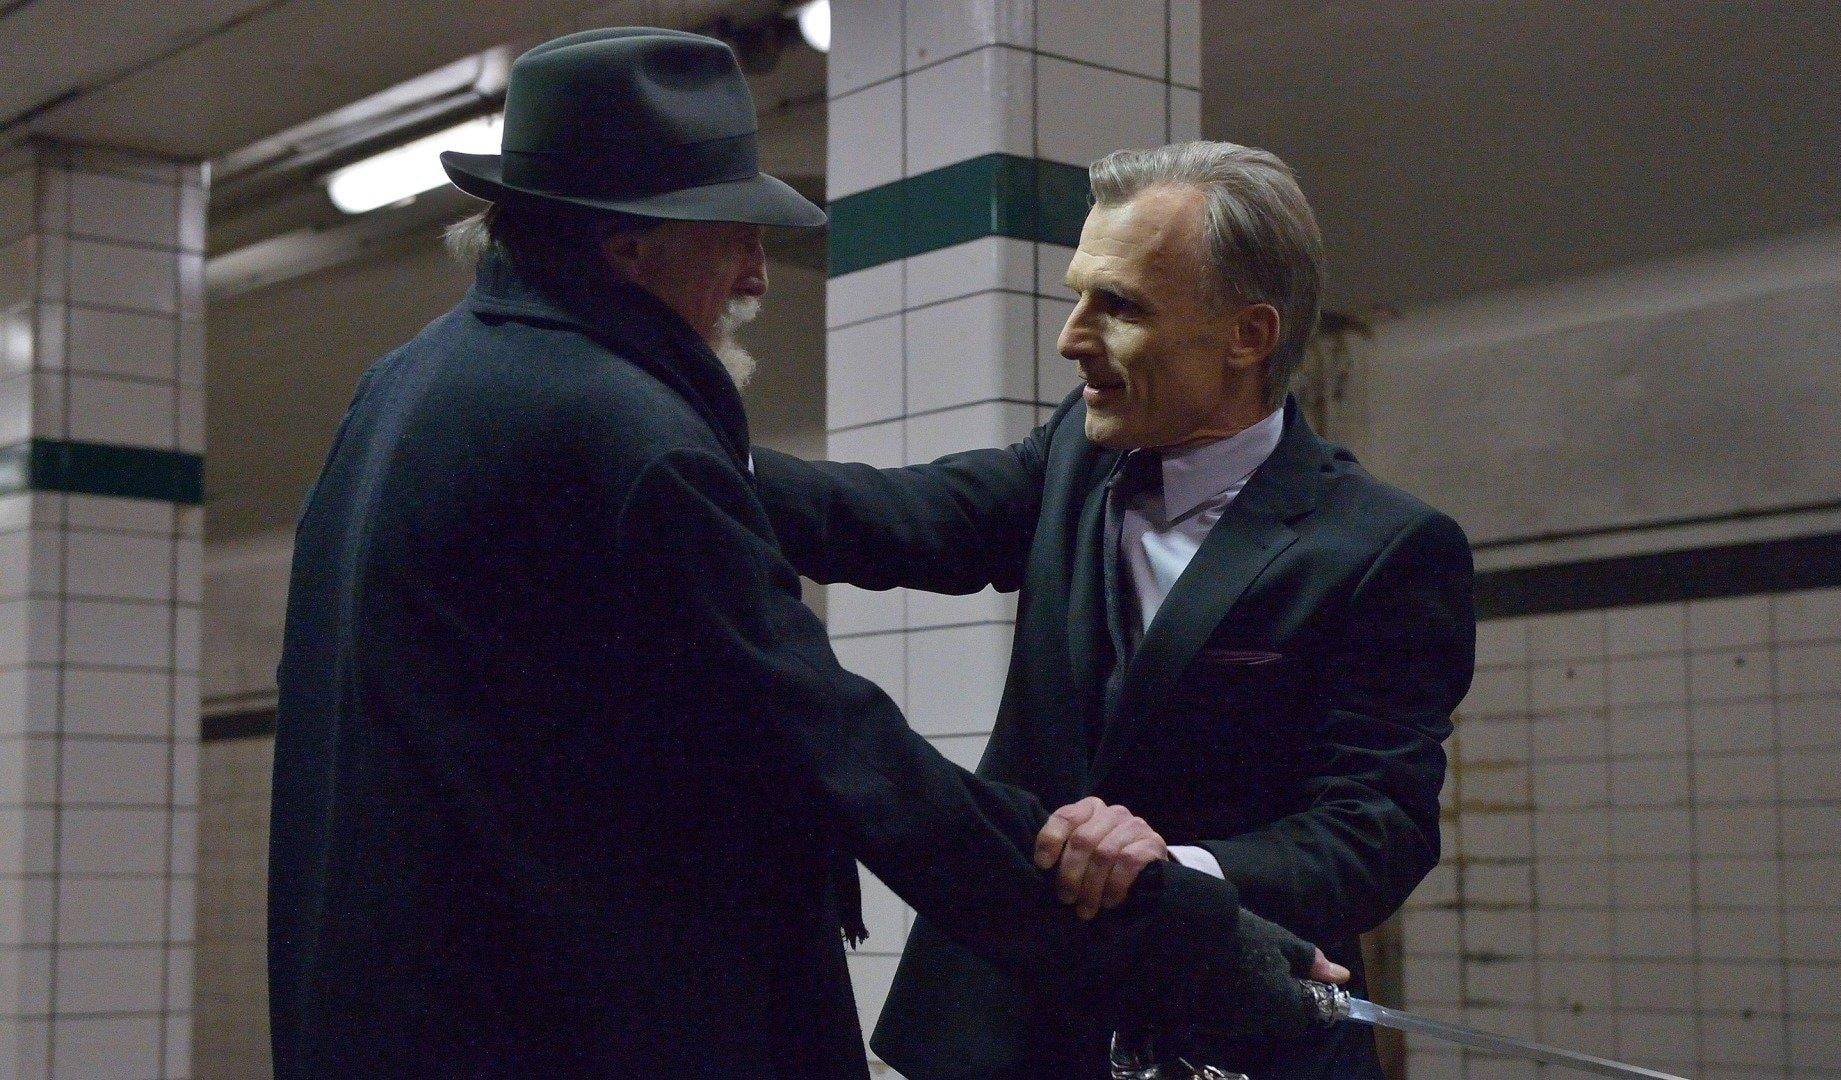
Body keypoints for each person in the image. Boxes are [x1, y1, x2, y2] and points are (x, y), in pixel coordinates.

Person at [268, 30, 1325, 1080]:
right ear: (629, 247)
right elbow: (852, 763)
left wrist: (712, 469)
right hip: (569, 1027)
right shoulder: (628, 444)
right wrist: (1194, 945)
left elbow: (917, 519)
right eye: (733, 236)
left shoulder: (408, 389)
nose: (758, 275)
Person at [753, 141, 1477, 1079]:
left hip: (1222, 1025)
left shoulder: (1382, 547)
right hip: (1009, 1028)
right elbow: (902, 517)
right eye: (1078, 296)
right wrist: (693, 445)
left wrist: (1179, 867)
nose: (1071, 338)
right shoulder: (1078, 453)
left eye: (1120, 306)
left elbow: (1374, 829)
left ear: (1248, 335)